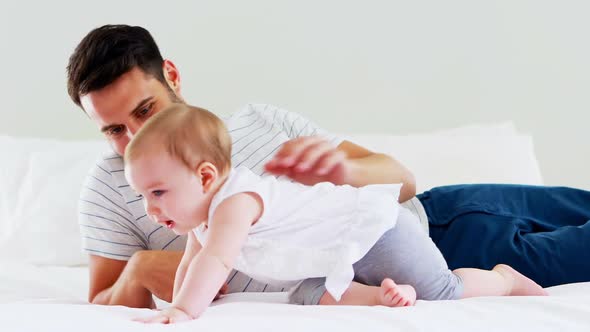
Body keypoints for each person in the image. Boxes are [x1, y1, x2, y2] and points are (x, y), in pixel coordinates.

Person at [66, 24, 590, 309]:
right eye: (113, 130)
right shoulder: (113, 188)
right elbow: (103, 300)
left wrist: (341, 170)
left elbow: (403, 179)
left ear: (172, 76)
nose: (134, 138)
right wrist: (141, 268)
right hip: (386, 271)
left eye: (144, 111)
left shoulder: (258, 121)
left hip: (432, 218)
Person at [125, 104, 546, 323]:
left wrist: (183, 311)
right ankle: (379, 298)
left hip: (376, 234)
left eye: (158, 191)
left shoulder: (236, 201)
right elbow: (192, 261)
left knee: (442, 291)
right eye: (143, 195)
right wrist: (177, 304)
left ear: (205, 176)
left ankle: (503, 279)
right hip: (330, 260)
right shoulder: (203, 219)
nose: (150, 207)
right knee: (308, 295)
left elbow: (214, 261)